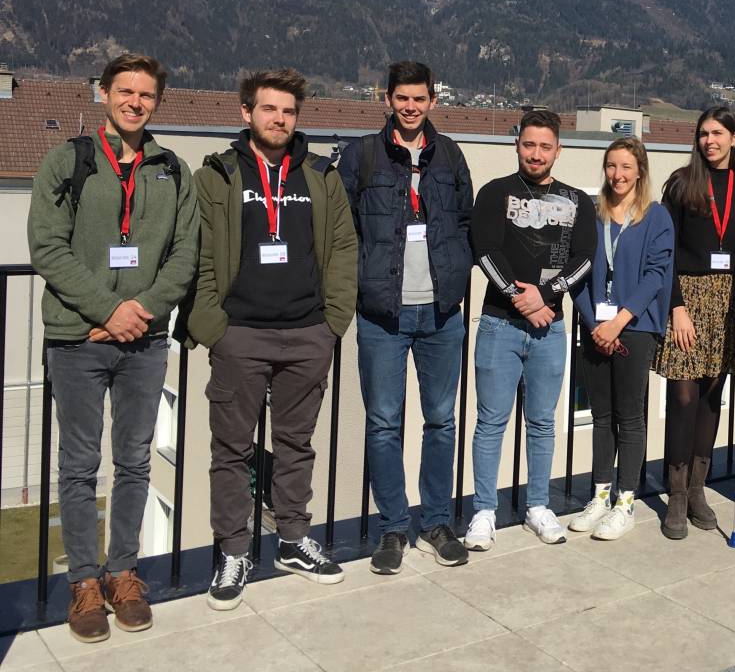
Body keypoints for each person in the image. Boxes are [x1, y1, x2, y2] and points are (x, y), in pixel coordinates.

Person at [28, 54, 198, 642]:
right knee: (78, 466)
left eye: (146, 95)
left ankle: (123, 572)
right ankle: (83, 583)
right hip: (78, 338)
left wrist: (141, 312)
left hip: (145, 341)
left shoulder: (171, 169)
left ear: (157, 102)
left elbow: (185, 253)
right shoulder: (66, 161)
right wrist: (107, 310)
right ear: (103, 93)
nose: (134, 102)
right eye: (124, 91)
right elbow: (47, 248)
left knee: (135, 460)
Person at [191, 69, 358, 610]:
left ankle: (291, 539)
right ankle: (234, 551)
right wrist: (213, 326)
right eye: (269, 109)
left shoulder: (319, 175)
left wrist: (333, 323)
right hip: (239, 334)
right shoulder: (217, 174)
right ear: (247, 113)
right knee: (232, 450)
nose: (279, 119)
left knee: (295, 445)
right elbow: (199, 253)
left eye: (288, 111)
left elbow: (342, 249)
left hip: (308, 333)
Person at [339, 61, 474, 574]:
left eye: (419, 98)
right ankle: (393, 527)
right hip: (382, 316)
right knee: (384, 423)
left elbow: (465, 220)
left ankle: (437, 522)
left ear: (432, 101)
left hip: (441, 313)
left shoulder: (451, 155)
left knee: (441, 421)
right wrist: (362, 284)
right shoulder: (363, 157)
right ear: (388, 99)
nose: (411, 107)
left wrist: (457, 276)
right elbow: (343, 228)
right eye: (402, 98)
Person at [466, 109, 596, 550]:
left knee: (542, 422)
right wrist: (522, 299)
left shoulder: (578, 200)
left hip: (550, 329)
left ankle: (538, 506)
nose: (536, 154)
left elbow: (585, 259)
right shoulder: (494, 193)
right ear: (517, 145)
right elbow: (484, 251)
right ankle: (484, 510)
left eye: (545, 146)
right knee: (491, 422)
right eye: (528, 144)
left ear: (558, 150)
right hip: (500, 327)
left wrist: (547, 295)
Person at [654, 106, 735, 539]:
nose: (709, 141)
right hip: (687, 298)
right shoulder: (682, 184)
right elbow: (665, 251)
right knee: (683, 396)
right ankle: (676, 493)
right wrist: (676, 306)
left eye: (718, 133)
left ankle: (698, 487)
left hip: (730, 302)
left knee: (711, 398)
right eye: (703, 134)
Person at [570, 138, 674, 540]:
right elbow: (576, 271)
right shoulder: (591, 214)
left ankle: (625, 501)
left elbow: (656, 275)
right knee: (601, 415)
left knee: (629, 416)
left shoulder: (656, 217)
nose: (617, 175)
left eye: (626, 167)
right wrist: (594, 323)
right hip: (594, 326)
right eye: (611, 166)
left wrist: (619, 322)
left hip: (635, 326)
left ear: (640, 171)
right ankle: (599, 495)